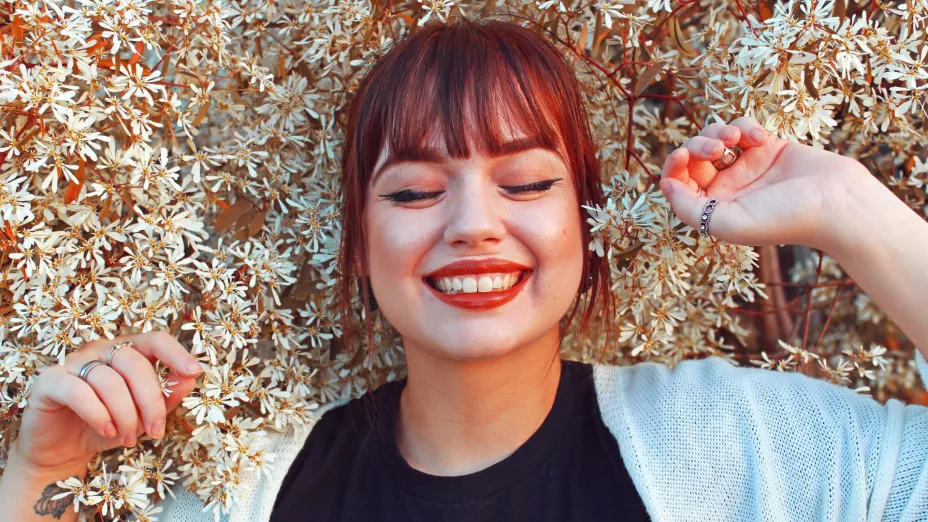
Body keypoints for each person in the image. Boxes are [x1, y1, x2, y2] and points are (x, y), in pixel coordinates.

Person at [3, 17, 928, 522]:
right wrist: (31, 478)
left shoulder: (739, 448)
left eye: (526, 182)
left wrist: (852, 210)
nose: (474, 225)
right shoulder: (243, 495)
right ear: (358, 244)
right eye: (413, 192)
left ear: (588, 222)